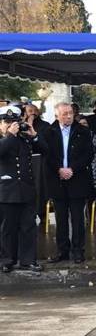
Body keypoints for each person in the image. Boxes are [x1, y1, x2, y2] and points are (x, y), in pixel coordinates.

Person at [44, 103, 94, 264]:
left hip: (77, 179)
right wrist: (59, 169)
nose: (68, 116)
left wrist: (72, 169)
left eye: (70, 113)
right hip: (57, 180)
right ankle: (62, 250)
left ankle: (78, 251)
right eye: (64, 114)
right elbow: (47, 155)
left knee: (78, 218)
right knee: (61, 218)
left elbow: (88, 155)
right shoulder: (49, 132)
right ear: (57, 115)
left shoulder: (83, 131)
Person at [0, 105, 46, 273]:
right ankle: (6, 260)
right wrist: (10, 135)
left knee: (28, 227)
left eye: (14, 122)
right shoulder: (6, 139)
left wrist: (34, 136)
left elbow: (45, 150)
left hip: (26, 189)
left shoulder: (23, 138)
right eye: (6, 122)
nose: (11, 125)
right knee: (7, 228)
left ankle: (28, 260)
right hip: (6, 190)